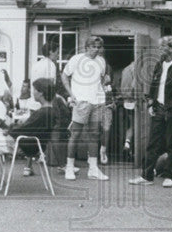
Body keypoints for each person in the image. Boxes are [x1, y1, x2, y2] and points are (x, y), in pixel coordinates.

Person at [129, 35, 172, 188]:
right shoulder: (159, 65)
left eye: (162, 47)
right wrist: (151, 104)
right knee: (152, 143)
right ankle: (147, 176)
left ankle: (168, 176)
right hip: (158, 108)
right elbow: (154, 85)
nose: (159, 50)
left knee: (171, 144)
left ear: (171, 48)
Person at [61, 36, 109, 181]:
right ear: (87, 47)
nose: (97, 49)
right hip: (81, 102)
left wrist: (104, 88)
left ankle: (93, 169)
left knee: (94, 135)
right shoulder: (76, 59)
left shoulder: (101, 61)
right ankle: (69, 168)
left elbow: (101, 80)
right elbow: (64, 76)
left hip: (97, 102)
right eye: (94, 47)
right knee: (75, 134)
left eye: (99, 47)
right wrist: (71, 95)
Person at [10, 79, 62, 177]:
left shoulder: (41, 113)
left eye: (34, 90)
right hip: (37, 145)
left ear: (41, 92)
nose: (32, 92)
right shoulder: (49, 111)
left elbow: (20, 131)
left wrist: (10, 126)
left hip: (25, 144)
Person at [98, 60, 115, 165]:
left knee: (106, 129)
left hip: (107, 105)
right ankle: (91, 154)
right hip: (95, 104)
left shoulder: (108, 67)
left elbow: (109, 89)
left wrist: (112, 101)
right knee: (94, 129)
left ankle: (103, 151)